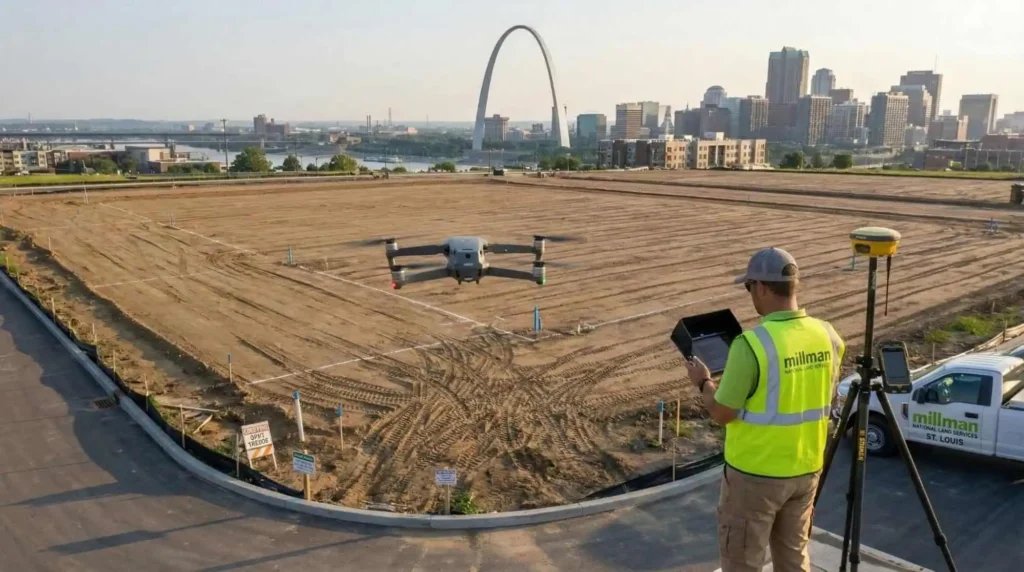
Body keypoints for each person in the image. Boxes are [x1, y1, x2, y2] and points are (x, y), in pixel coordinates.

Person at [684, 247, 845, 572]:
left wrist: (703, 382)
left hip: (755, 477)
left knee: (743, 562)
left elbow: (722, 413)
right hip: (806, 469)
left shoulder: (752, 345)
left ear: (760, 287)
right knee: (793, 558)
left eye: (749, 287)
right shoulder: (828, 335)